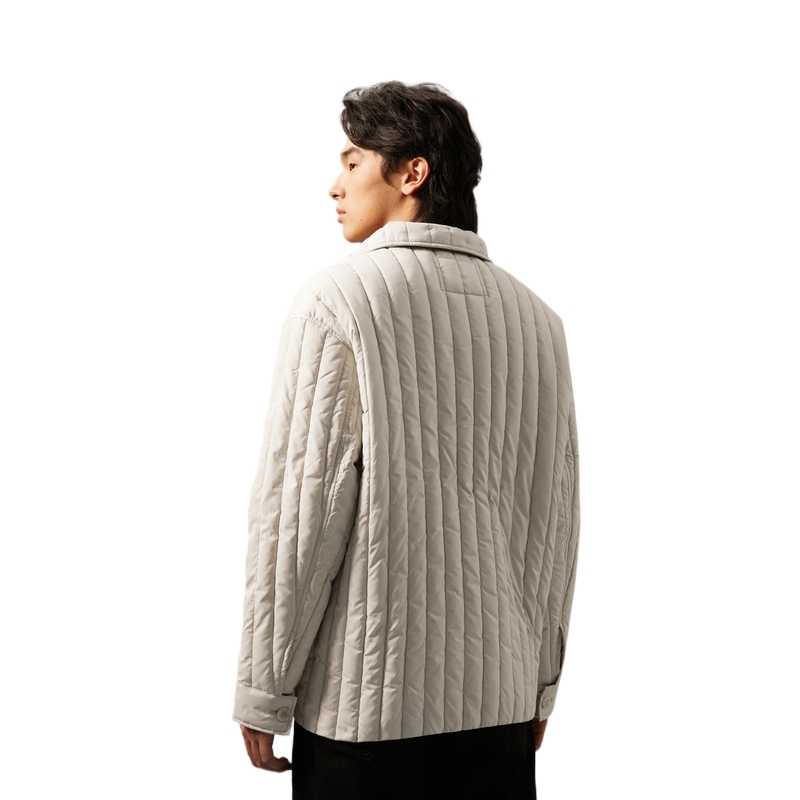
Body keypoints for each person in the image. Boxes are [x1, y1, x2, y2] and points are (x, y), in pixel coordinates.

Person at [232, 81, 581, 799]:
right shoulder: (538, 322)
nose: (335, 185)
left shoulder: (339, 301)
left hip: (368, 723)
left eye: (353, 162)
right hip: (499, 715)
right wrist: (541, 685)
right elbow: (555, 523)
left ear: (412, 173)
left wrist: (263, 688)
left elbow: (299, 515)